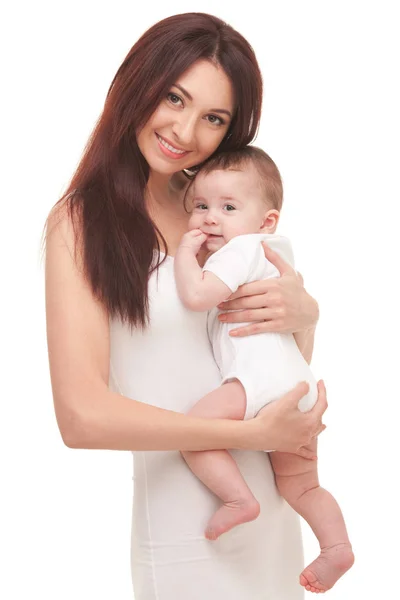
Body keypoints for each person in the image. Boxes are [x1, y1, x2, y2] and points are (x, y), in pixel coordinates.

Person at [44, 12, 328, 600]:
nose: (186, 130)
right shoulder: (82, 224)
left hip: (271, 515)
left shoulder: (221, 209)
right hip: (185, 532)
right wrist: (251, 436)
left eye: (214, 118)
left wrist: (305, 318)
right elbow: (81, 417)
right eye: (174, 97)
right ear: (138, 84)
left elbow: (263, 361)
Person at [174, 145, 354, 594]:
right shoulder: (276, 253)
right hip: (298, 386)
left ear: (266, 220)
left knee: (191, 430)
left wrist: (184, 254)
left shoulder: (240, 250)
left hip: (260, 384)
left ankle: (238, 498)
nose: (210, 218)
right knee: (302, 487)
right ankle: (336, 546)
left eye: (228, 207)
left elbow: (198, 297)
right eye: (200, 206)